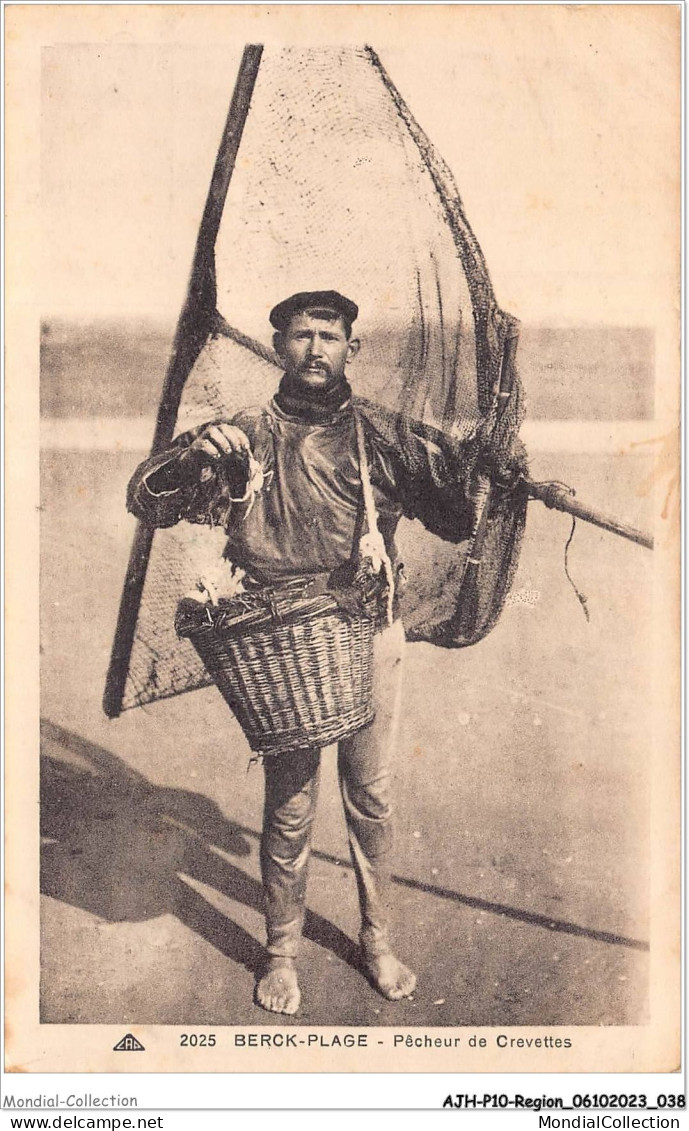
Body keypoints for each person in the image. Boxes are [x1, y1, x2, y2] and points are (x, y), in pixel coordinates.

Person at [127, 290, 482, 1015]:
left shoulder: (383, 434)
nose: (315, 347)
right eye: (299, 335)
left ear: (352, 348)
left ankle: (377, 941)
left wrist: (478, 470)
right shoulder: (244, 434)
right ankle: (280, 950)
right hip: (282, 644)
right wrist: (191, 449)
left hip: (367, 629)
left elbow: (453, 519)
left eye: (329, 335)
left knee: (371, 796)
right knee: (289, 808)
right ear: (278, 347)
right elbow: (150, 501)